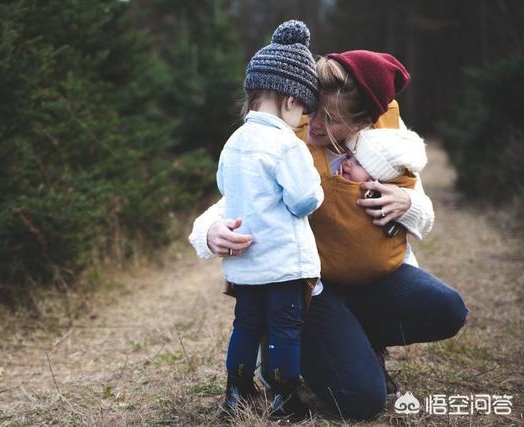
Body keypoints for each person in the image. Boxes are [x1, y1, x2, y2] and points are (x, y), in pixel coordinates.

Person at [189, 50, 469, 420]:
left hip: (374, 280)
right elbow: (238, 198)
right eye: (313, 110)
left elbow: (423, 209)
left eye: (331, 119)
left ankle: (355, 339)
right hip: (312, 290)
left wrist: (408, 203)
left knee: (448, 309)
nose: (315, 124)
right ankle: (298, 345)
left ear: (364, 121)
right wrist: (209, 231)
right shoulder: (289, 138)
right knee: (362, 400)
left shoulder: (387, 142)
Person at [216, 20, 323, 417]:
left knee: (245, 326)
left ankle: (236, 392)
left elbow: (226, 190)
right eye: (305, 111)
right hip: (283, 263)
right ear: (291, 100)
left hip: (245, 264)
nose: (304, 121)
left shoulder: (233, 142)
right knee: (283, 331)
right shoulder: (286, 144)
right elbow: (303, 200)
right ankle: (285, 397)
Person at [316, 127, 427, 286]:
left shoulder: (388, 194)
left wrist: (410, 204)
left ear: (378, 180)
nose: (347, 163)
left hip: (387, 271)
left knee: (449, 303)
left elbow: (425, 220)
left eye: (358, 164)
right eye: (349, 157)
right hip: (330, 276)